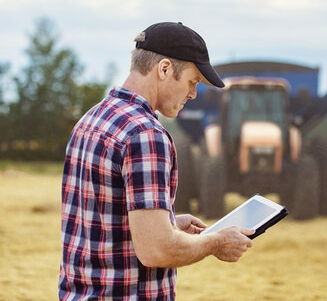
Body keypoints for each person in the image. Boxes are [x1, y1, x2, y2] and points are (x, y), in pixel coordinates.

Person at [58, 22, 254, 300]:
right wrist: (215, 242)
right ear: (164, 69)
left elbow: (102, 220)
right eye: (192, 81)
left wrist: (168, 222)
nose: (193, 94)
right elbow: (156, 250)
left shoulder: (92, 119)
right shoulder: (145, 135)